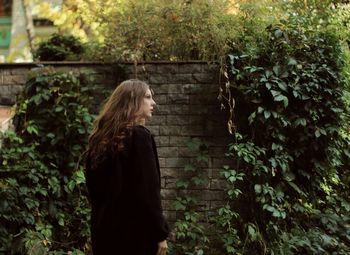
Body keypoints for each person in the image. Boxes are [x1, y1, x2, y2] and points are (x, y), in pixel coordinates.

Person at [84, 79, 169, 255]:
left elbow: (94, 191)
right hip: (134, 235)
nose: (153, 103)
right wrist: (160, 233)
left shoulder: (100, 139)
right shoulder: (139, 136)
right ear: (132, 101)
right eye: (147, 97)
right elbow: (147, 192)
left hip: (103, 233)